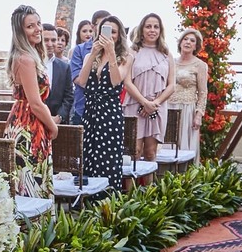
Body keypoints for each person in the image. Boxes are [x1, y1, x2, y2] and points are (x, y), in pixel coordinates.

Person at [5, 4, 58, 197]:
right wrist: (53, 126)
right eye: (30, 26)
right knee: (30, 185)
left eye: (38, 24)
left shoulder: (28, 56)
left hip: (26, 122)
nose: (38, 29)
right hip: (28, 128)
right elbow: (35, 103)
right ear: (20, 32)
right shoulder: (25, 59)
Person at [75, 15, 130, 190]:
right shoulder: (89, 56)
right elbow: (82, 82)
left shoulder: (126, 57)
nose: (109, 35)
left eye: (113, 32)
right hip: (90, 112)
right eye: (106, 31)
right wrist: (93, 54)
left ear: (119, 35)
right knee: (88, 156)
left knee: (108, 158)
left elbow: (116, 81)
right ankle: (87, 200)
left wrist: (111, 54)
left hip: (110, 113)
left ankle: (108, 199)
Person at [125, 13, 176, 162]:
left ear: (160, 30)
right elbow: (127, 82)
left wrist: (154, 104)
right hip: (134, 105)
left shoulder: (167, 54)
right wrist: (144, 103)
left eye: (156, 27)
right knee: (134, 152)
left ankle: (151, 179)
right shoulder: (132, 52)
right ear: (142, 29)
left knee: (150, 152)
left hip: (157, 107)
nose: (152, 30)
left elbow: (172, 85)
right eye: (148, 26)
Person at [168, 28, 209, 153]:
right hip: (169, 107)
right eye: (185, 39)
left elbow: (203, 92)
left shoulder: (200, 65)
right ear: (180, 42)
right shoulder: (170, 62)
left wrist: (198, 115)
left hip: (187, 110)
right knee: (166, 145)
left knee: (184, 147)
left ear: (196, 46)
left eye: (192, 41)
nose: (188, 42)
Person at [68, 10, 110, 125]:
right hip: (83, 107)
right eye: (101, 25)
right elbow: (77, 79)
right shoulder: (80, 50)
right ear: (93, 26)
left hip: (107, 109)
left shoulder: (117, 51)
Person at [42, 23, 73, 124]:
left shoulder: (65, 67)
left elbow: (68, 96)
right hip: (34, 120)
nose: (50, 44)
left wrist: (59, 117)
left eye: (53, 40)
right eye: (46, 40)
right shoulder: (31, 64)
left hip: (58, 122)